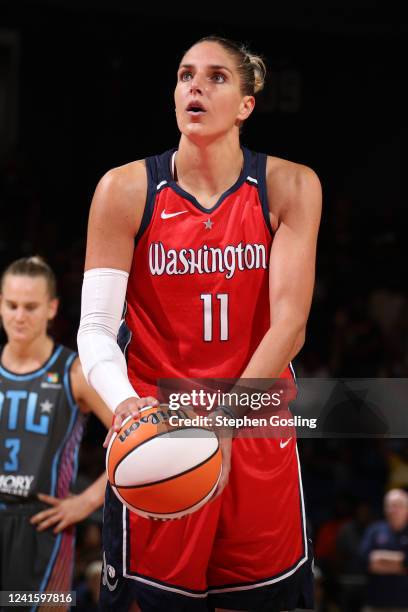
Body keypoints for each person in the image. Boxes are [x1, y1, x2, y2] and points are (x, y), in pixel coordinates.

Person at [77, 35, 322, 612]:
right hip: (162, 433)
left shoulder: (289, 185)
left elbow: (290, 325)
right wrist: (124, 406)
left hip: (255, 426)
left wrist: (226, 422)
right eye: (187, 75)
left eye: (216, 77)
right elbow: (94, 327)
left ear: (246, 105)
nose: (196, 86)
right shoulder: (123, 190)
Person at [0, 256, 112, 609]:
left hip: (46, 529)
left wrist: (88, 501)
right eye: (12, 305)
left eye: (30, 307)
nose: (20, 316)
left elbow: (137, 442)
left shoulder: (74, 372)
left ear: (51, 308)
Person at [359, 488, 408, 611]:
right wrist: (400, 563)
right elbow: (365, 560)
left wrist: (380, 559)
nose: (394, 510)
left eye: (398, 506)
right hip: (375, 603)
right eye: (390, 506)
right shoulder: (374, 530)